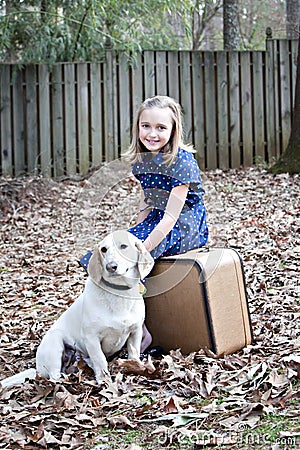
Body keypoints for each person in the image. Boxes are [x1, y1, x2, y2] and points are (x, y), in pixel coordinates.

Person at [79, 95, 209, 353]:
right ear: (137, 127)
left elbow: (172, 217)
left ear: (173, 131)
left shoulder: (181, 161)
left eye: (161, 127)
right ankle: (107, 324)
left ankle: (141, 334)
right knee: (112, 253)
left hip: (185, 223)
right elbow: (147, 199)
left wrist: (142, 248)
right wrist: (134, 231)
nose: (152, 133)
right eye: (146, 126)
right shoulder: (142, 158)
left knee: (131, 263)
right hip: (157, 218)